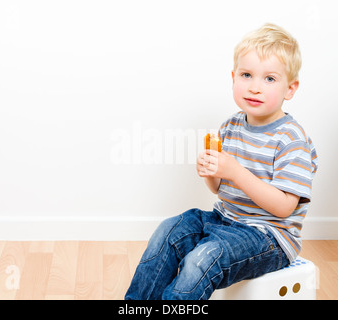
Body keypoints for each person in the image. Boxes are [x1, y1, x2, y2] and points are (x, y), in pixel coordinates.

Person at [125, 23, 318, 300]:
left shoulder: (291, 139)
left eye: (270, 79)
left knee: (203, 258)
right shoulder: (230, 126)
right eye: (247, 75)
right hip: (225, 220)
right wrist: (211, 171)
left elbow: (284, 207)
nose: (255, 87)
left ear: (290, 88)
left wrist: (236, 171)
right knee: (169, 230)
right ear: (233, 78)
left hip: (269, 237)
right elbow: (219, 189)